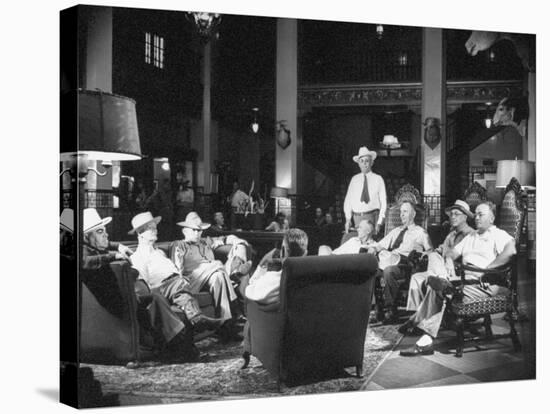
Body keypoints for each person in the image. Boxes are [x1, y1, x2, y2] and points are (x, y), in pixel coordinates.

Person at [400, 201, 516, 356]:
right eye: (476, 214)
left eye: (481, 214)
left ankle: (420, 326)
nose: (476, 218)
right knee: (435, 259)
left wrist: (489, 269)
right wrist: (448, 260)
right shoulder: (472, 236)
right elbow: (452, 253)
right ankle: (443, 284)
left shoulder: (497, 234)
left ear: (492, 218)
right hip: (464, 280)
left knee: (438, 290)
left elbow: (511, 250)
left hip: (485, 284)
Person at [127, 212, 224, 348]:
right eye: (151, 228)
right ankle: (196, 317)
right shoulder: (138, 257)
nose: (156, 230)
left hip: (176, 285)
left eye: (155, 227)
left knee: (181, 284)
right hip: (160, 289)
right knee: (179, 283)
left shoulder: (158, 252)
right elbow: (144, 286)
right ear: (140, 234)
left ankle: (195, 318)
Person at [170, 212, 252, 330]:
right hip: (193, 280)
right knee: (216, 264)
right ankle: (232, 276)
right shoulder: (179, 245)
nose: (198, 233)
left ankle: (226, 323)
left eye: (200, 230)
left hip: (211, 277)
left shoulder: (205, 242)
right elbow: (177, 269)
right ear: (185, 231)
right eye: (194, 230)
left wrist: (239, 242)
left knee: (218, 276)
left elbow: (225, 238)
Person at [241, 228, 309, 368]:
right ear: (306, 251)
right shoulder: (315, 274)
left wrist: (248, 273)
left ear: (283, 250)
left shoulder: (275, 278)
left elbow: (247, 292)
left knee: (249, 301)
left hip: (278, 332)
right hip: (308, 333)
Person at [404, 200, 475, 316]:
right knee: (417, 278)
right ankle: (416, 315)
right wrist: (427, 253)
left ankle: (430, 312)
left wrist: (449, 261)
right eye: (451, 214)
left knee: (431, 270)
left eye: (456, 214)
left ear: (465, 217)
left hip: (456, 272)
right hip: (439, 269)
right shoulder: (451, 234)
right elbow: (441, 249)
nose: (453, 217)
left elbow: (469, 258)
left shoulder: (470, 234)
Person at [367, 201, 432, 323]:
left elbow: (430, 251)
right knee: (372, 270)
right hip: (390, 259)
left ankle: (391, 310)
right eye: (401, 212)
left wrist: (420, 255)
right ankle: (377, 308)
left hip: (407, 264)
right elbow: (380, 245)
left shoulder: (420, 232)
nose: (401, 215)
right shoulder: (396, 231)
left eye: (405, 212)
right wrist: (373, 248)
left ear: (413, 214)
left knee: (388, 271)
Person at [343, 146, 387, 236]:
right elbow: (348, 200)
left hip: (372, 218)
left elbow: (384, 202)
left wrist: (379, 222)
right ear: (358, 163)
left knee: (369, 245)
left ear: (372, 162)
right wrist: (348, 219)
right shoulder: (354, 179)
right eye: (361, 161)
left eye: (367, 161)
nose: (364, 164)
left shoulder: (378, 179)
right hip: (357, 219)